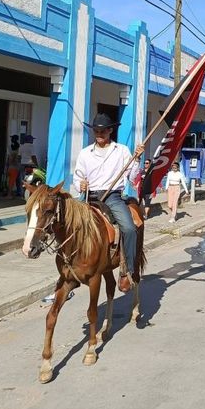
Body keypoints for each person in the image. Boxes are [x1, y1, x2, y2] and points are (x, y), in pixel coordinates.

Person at [72, 112, 144, 293]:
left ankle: (127, 270)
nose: (99, 134)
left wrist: (137, 159)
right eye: (96, 131)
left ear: (110, 131)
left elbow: (133, 176)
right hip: (89, 196)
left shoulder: (121, 151)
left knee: (128, 228)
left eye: (103, 131)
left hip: (112, 196)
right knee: (65, 225)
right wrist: (80, 184)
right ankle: (68, 267)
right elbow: (77, 176)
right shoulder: (85, 153)